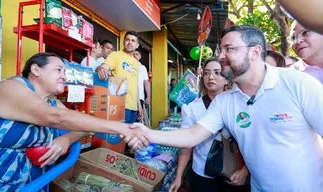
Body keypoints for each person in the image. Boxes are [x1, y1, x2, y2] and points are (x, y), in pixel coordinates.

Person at [125, 25, 323, 192]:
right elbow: (191, 135)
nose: (220, 56)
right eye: (220, 50)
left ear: (254, 52)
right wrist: (148, 133)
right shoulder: (225, 101)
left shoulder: (299, 84)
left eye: (229, 49)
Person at [0, 52, 144, 191]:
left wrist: (66, 139)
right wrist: (122, 128)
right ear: (36, 70)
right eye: (58, 70)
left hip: (34, 184)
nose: (64, 76)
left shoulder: (51, 102)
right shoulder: (10, 87)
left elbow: (83, 125)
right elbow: (54, 117)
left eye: (65, 72)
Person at [169, 58, 249, 192]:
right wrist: (179, 176)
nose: (210, 77)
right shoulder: (192, 108)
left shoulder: (238, 104)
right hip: (202, 174)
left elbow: (251, 140)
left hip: (234, 174)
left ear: (227, 78)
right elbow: (186, 145)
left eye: (217, 72)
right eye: (206, 73)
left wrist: (245, 171)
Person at [97, 31, 142, 123]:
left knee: (129, 136)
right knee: (119, 135)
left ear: (137, 45)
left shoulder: (136, 63)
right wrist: (102, 69)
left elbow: (135, 85)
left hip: (133, 106)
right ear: (123, 42)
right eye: (128, 40)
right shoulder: (115, 55)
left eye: (133, 41)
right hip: (119, 104)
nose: (130, 42)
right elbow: (104, 66)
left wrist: (139, 106)